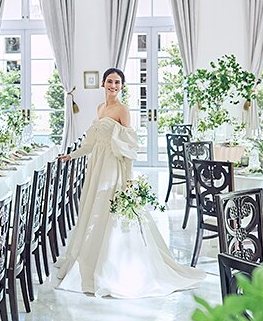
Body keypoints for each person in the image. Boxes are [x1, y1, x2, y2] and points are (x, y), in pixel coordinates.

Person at [53, 67, 204, 298]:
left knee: (108, 209)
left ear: (121, 86)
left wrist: (129, 179)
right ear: (103, 84)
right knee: (93, 209)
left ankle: (111, 266)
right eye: (110, 81)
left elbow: (129, 148)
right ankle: (90, 259)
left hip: (112, 167)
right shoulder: (100, 108)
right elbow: (91, 143)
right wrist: (70, 156)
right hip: (96, 166)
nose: (113, 86)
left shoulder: (123, 110)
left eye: (117, 82)